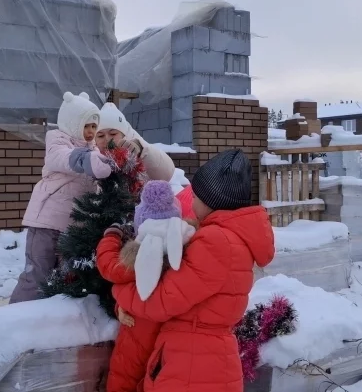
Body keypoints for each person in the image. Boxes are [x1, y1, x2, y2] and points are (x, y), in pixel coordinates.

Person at [112, 149, 275, 392]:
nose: (191, 201)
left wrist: (119, 291)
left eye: (196, 196)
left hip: (192, 365)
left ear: (212, 201)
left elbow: (163, 301)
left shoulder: (216, 241)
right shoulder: (231, 238)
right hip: (204, 358)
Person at [9, 92, 113, 304]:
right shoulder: (57, 141)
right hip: (46, 224)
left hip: (72, 229)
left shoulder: (92, 151)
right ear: (73, 122)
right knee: (37, 274)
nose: (91, 131)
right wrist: (87, 159)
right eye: (86, 125)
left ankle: (51, 321)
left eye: (94, 126)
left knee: (65, 278)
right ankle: (15, 320)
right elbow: (62, 159)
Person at [96, 180, 195, 392]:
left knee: (125, 376)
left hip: (136, 332)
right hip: (169, 341)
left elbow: (109, 266)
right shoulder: (186, 254)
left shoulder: (136, 257)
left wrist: (112, 236)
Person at [96, 102, 175, 182]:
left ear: (124, 134)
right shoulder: (90, 155)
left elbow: (167, 174)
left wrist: (141, 151)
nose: (107, 139)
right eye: (100, 136)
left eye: (113, 134)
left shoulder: (137, 148)